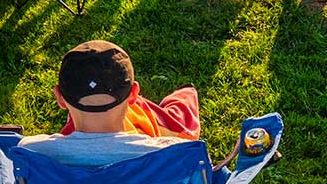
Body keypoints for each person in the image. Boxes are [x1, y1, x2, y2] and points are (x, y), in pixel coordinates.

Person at [17, 41, 201, 166]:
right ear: (134, 93)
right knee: (141, 110)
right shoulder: (174, 154)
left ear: (60, 98)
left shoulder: (29, 154)